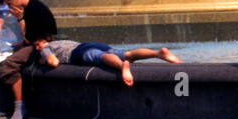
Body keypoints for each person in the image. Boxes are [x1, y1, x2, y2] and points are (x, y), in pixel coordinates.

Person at [0, 0, 58, 119]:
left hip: (42, 45)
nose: (10, 9)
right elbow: (26, 38)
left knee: (8, 66)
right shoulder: (30, 7)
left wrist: (21, 19)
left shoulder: (34, 9)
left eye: (10, 4)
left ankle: (19, 107)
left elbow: (31, 38)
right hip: (36, 42)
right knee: (10, 51)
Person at [35, 38, 179, 84]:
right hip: (88, 44)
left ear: (42, 42)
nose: (37, 47)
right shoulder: (61, 41)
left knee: (100, 58)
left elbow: (53, 62)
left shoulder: (46, 48)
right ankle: (158, 54)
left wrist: (43, 57)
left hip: (78, 53)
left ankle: (121, 66)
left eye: (37, 44)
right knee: (128, 53)